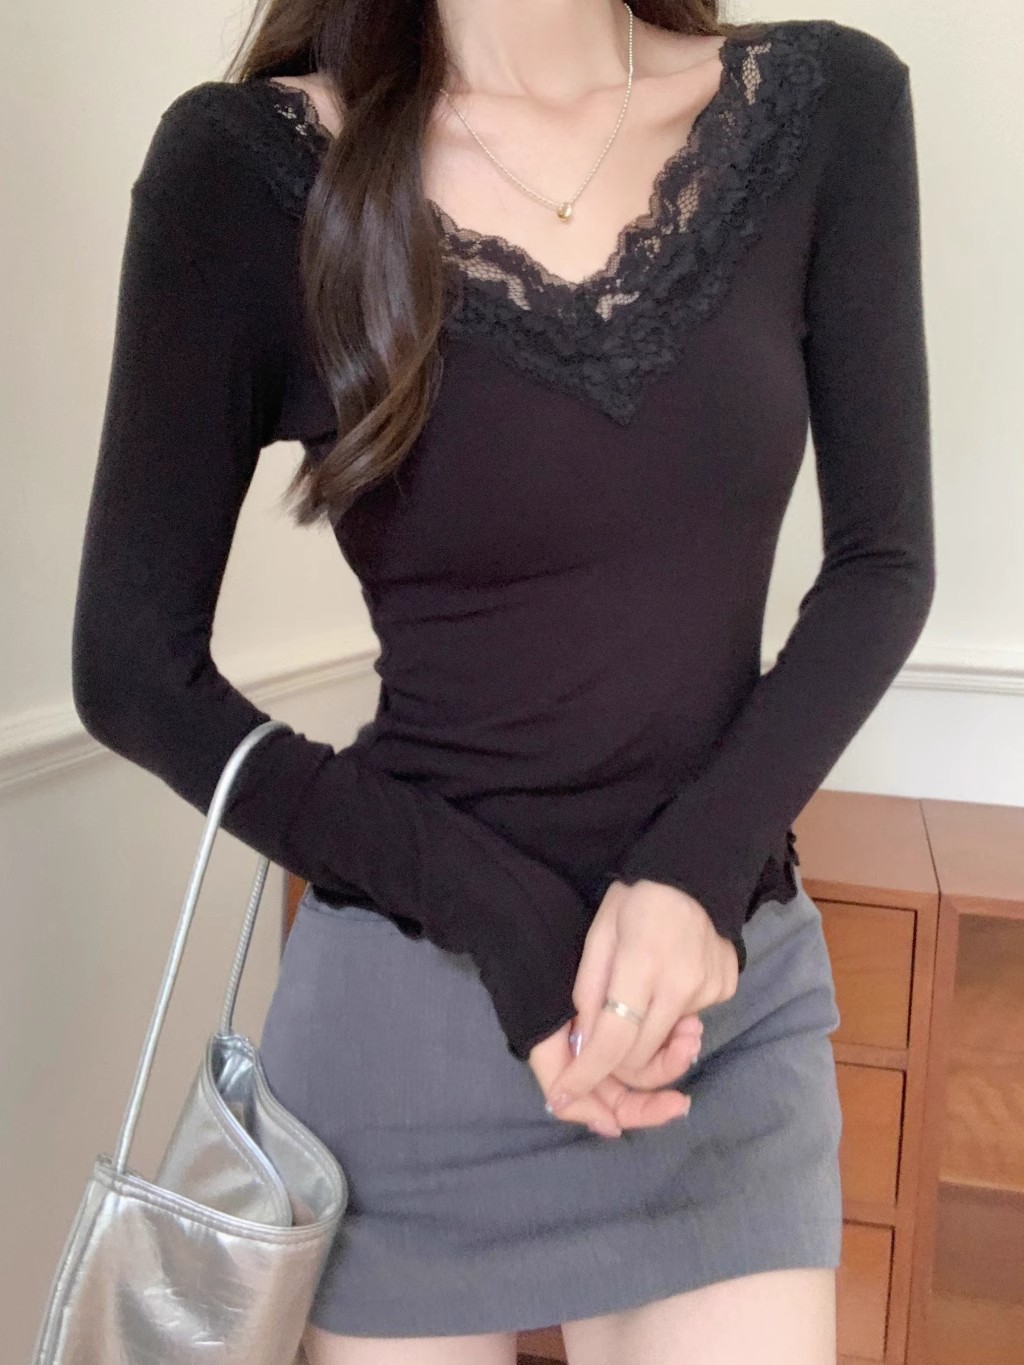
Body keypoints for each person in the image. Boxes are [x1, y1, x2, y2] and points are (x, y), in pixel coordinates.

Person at [71, 1, 934, 1360]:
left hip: (709, 1014)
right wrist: (501, 915)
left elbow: (884, 565)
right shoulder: (244, 169)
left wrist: (691, 876)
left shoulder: (822, 109)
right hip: (405, 1043)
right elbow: (131, 671)